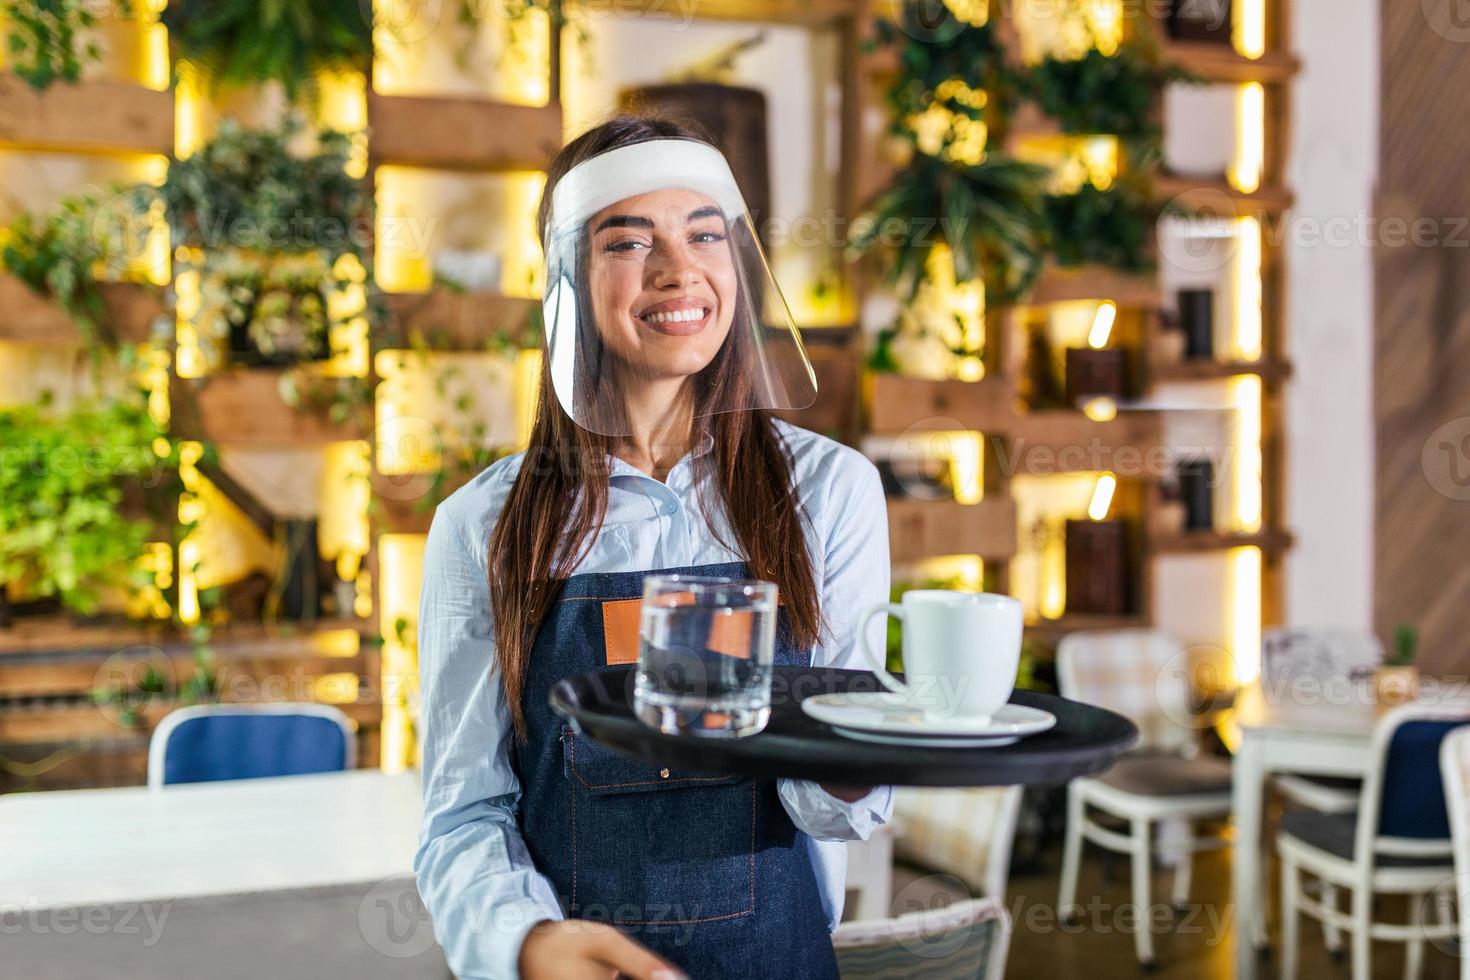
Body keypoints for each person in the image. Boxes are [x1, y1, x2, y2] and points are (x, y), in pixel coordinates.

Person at [414, 112, 893, 979]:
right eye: (629, 243)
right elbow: (462, 814)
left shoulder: (830, 492)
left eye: (704, 234)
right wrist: (526, 943)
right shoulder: (482, 525)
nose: (680, 271)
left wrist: (867, 752)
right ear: (566, 278)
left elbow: (834, 807)